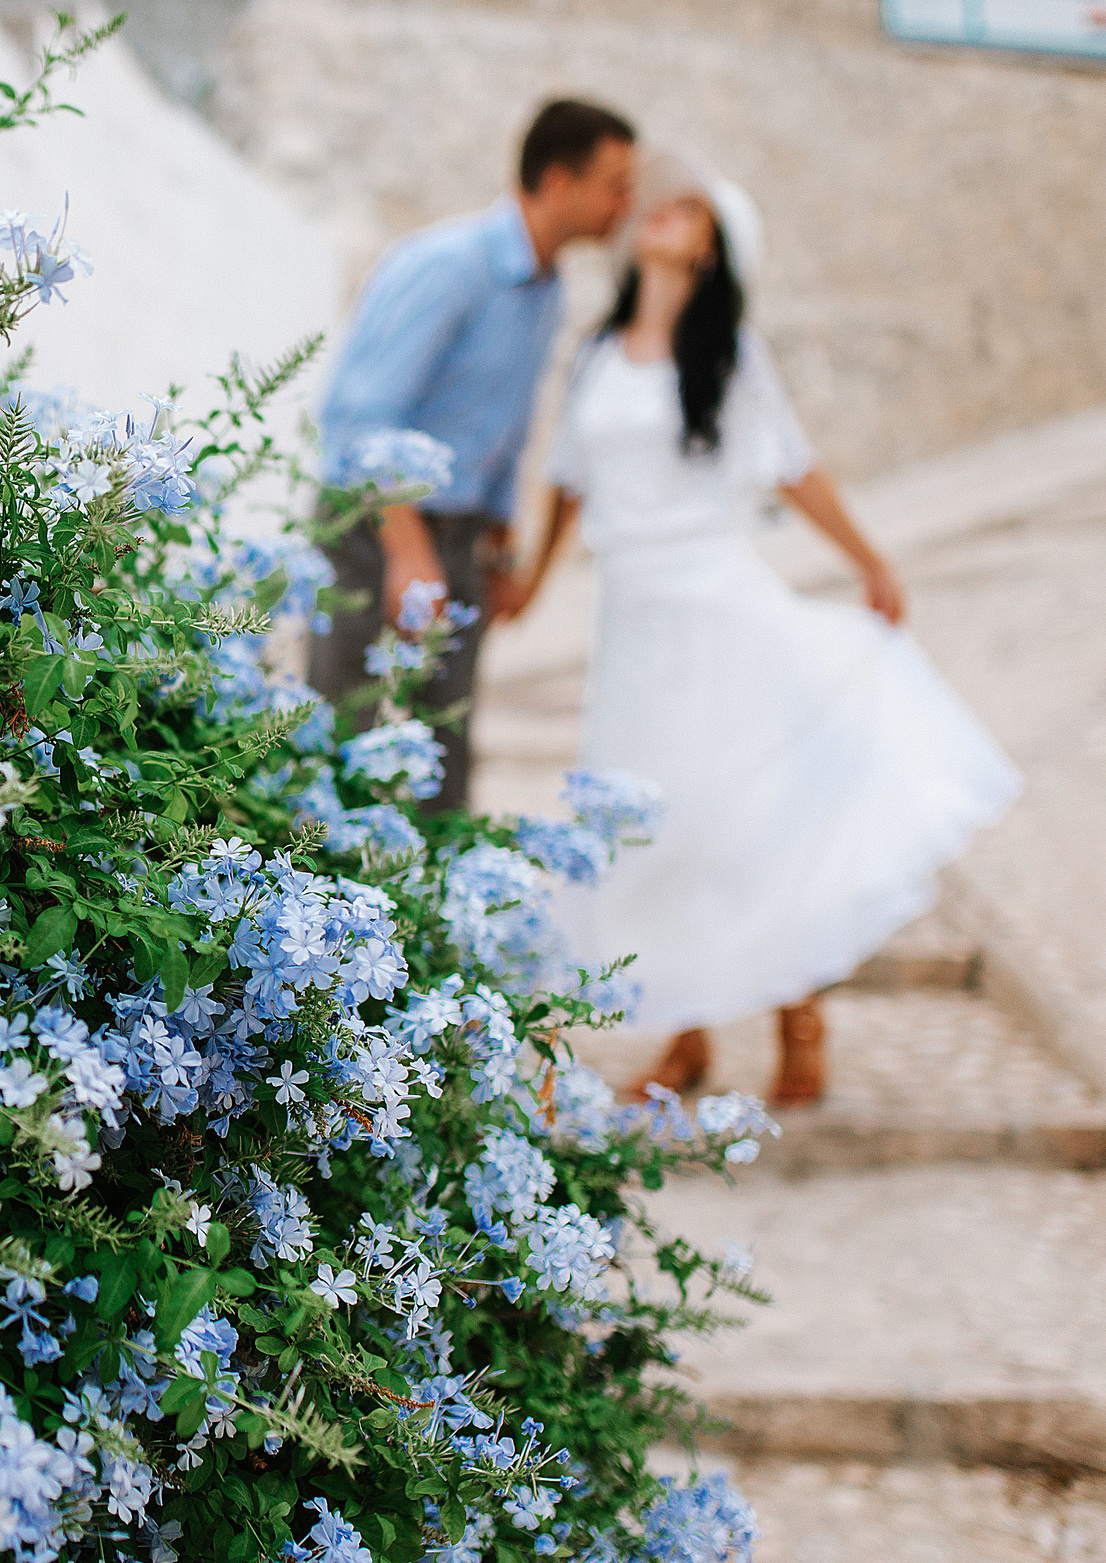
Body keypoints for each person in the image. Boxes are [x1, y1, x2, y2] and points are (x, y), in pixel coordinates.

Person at [495, 146, 1020, 1105]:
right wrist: (529, 588)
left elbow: (792, 466)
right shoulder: (599, 357)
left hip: (716, 607)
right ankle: (688, 1035)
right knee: (652, 828)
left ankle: (798, 1015)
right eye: (659, 205)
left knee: (746, 820)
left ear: (713, 248)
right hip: (634, 624)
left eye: (686, 209)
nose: (661, 213)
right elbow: (568, 484)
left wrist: (870, 559)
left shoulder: (728, 358)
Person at [313, 98, 637, 812]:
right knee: (341, 728)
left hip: (459, 540)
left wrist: (497, 548)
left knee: (445, 742)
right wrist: (407, 552)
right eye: (615, 184)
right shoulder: (446, 266)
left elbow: (501, 427)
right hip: (376, 528)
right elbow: (356, 418)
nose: (627, 203)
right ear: (559, 182)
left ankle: (436, 911)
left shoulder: (550, 288)